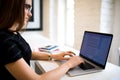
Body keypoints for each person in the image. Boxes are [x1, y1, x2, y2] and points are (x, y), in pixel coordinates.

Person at [0, 0, 84, 80]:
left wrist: (53, 56)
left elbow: (24, 53)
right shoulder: (5, 41)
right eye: (27, 7)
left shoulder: (12, 32)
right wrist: (69, 64)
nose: (30, 14)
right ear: (12, 6)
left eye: (30, 8)